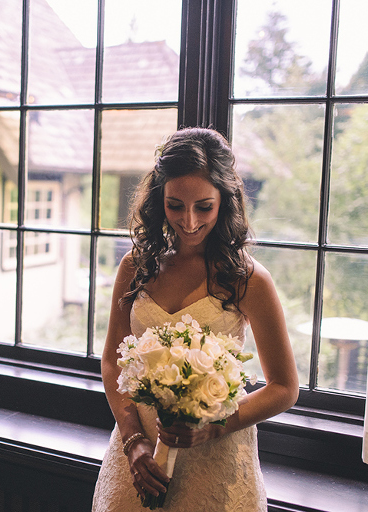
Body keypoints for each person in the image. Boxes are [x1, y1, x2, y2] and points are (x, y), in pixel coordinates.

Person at [92, 127, 299, 511]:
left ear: (225, 201)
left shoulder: (249, 280)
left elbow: (285, 388)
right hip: (138, 457)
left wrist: (214, 428)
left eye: (204, 207)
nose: (188, 221)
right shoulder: (135, 266)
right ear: (159, 200)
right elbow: (111, 361)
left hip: (216, 461)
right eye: (175, 205)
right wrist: (134, 441)